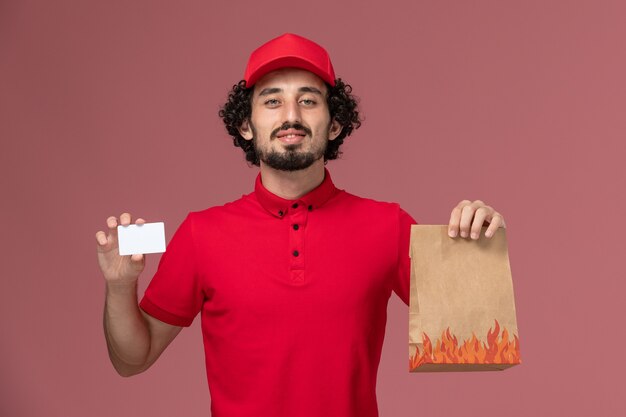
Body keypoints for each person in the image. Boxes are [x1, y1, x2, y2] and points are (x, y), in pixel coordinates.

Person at [95, 33, 506, 417]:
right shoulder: (202, 234)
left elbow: (479, 340)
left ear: (334, 124)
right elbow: (133, 359)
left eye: (308, 100)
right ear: (246, 124)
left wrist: (481, 247)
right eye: (272, 101)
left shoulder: (388, 226)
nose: (291, 116)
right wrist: (119, 287)